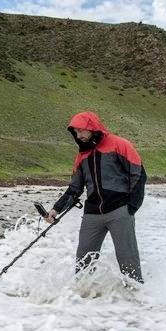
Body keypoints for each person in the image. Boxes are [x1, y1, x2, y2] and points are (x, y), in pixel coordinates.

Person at [45, 111, 146, 282]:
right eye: (75, 132)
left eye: (81, 130)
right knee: (83, 263)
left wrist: (132, 207)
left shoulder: (119, 144)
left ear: (92, 127)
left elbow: (138, 175)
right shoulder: (81, 156)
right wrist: (56, 209)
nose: (78, 135)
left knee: (128, 260)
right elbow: (74, 189)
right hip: (92, 214)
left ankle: (135, 299)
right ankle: (83, 299)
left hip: (119, 211)